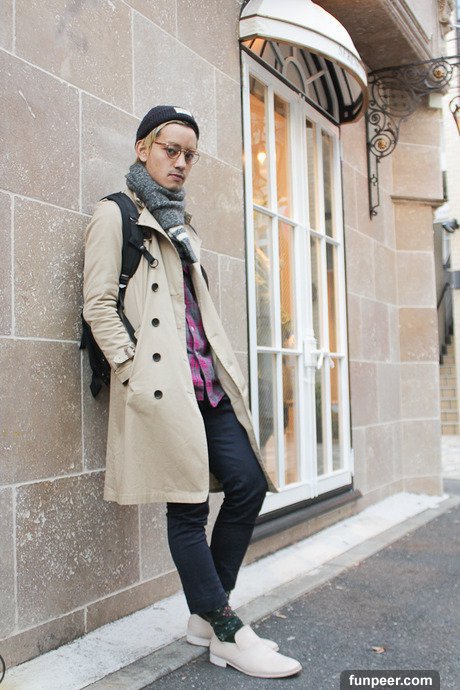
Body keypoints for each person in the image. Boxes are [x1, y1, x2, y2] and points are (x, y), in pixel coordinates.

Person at [83, 105, 301, 679]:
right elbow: (98, 303)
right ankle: (227, 631)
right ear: (143, 148)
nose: (181, 162)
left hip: (208, 386)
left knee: (248, 484)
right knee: (187, 507)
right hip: (163, 389)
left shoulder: (183, 223)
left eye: (190, 155)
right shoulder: (116, 214)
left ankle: (208, 615)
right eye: (171, 149)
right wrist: (131, 369)